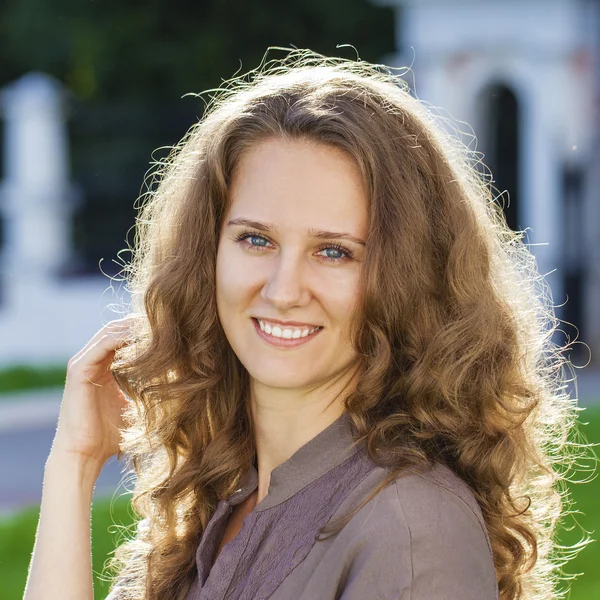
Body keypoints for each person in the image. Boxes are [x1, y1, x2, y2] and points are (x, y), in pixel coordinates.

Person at [23, 48, 590, 600]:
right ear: (207, 254)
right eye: (256, 239)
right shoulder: (215, 497)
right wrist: (74, 464)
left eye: (335, 252)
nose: (282, 290)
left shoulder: (411, 530)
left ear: (407, 277)